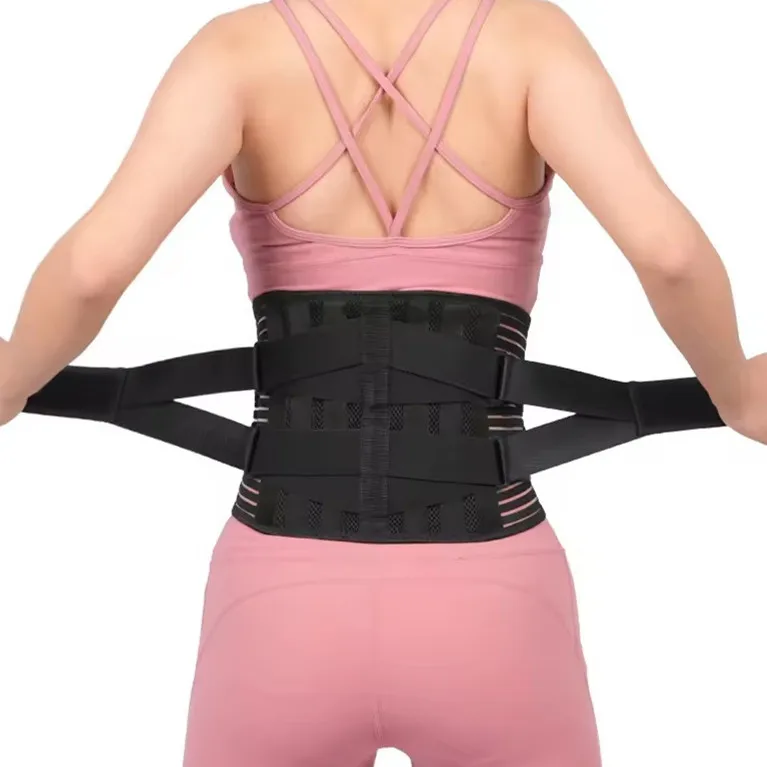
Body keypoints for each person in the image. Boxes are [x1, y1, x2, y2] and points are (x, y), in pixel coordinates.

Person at [0, 0, 765, 765]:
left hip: (280, 600)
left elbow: (91, 270)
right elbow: (668, 254)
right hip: (490, 600)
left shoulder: (238, 50)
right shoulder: (529, 39)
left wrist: (12, 378)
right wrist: (735, 393)